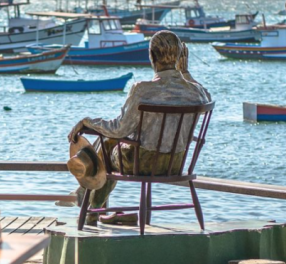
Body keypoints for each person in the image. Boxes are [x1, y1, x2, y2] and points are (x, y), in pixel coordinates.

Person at [66, 31, 210, 226]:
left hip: (142, 162)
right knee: (110, 142)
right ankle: (90, 203)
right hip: (175, 162)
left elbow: (119, 129)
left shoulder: (142, 89)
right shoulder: (195, 92)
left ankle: (91, 207)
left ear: (151, 56)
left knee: (107, 142)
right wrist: (185, 72)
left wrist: (88, 122)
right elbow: (205, 97)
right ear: (178, 58)